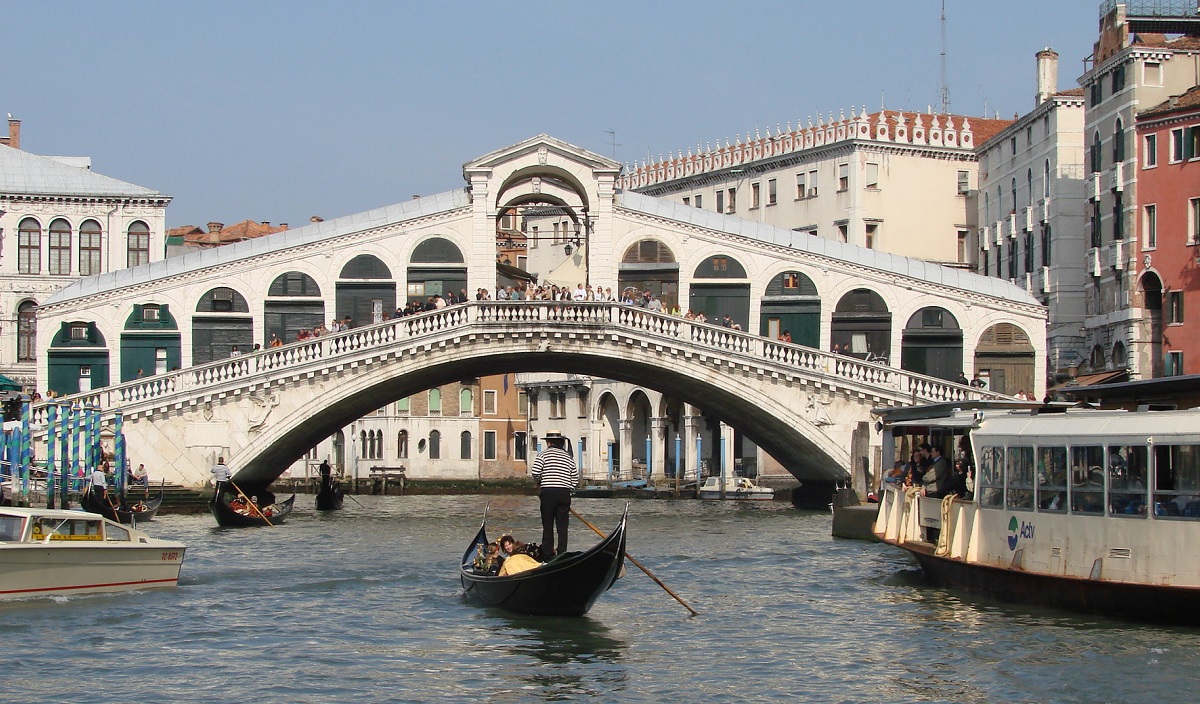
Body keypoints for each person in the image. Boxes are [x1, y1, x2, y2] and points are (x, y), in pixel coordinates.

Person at [530, 431, 579, 559]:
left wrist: (540, 481)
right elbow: (575, 476)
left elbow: (535, 471)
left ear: (549, 442)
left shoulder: (543, 455)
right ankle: (562, 551)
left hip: (548, 492)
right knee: (562, 526)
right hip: (564, 493)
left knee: (548, 524)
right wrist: (569, 489)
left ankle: (547, 552)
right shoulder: (568, 457)